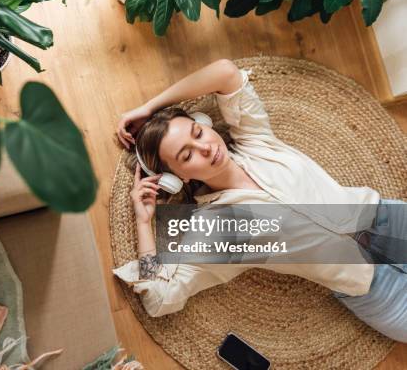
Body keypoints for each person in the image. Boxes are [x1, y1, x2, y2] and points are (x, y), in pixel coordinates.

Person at [113, 59, 407, 342]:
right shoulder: (215, 227)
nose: (204, 148)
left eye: (198, 132)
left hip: (387, 219)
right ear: (177, 179)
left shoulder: (255, 139)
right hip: (374, 289)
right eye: (187, 155)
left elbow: (225, 73)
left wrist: (149, 108)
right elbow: (159, 297)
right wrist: (143, 221)